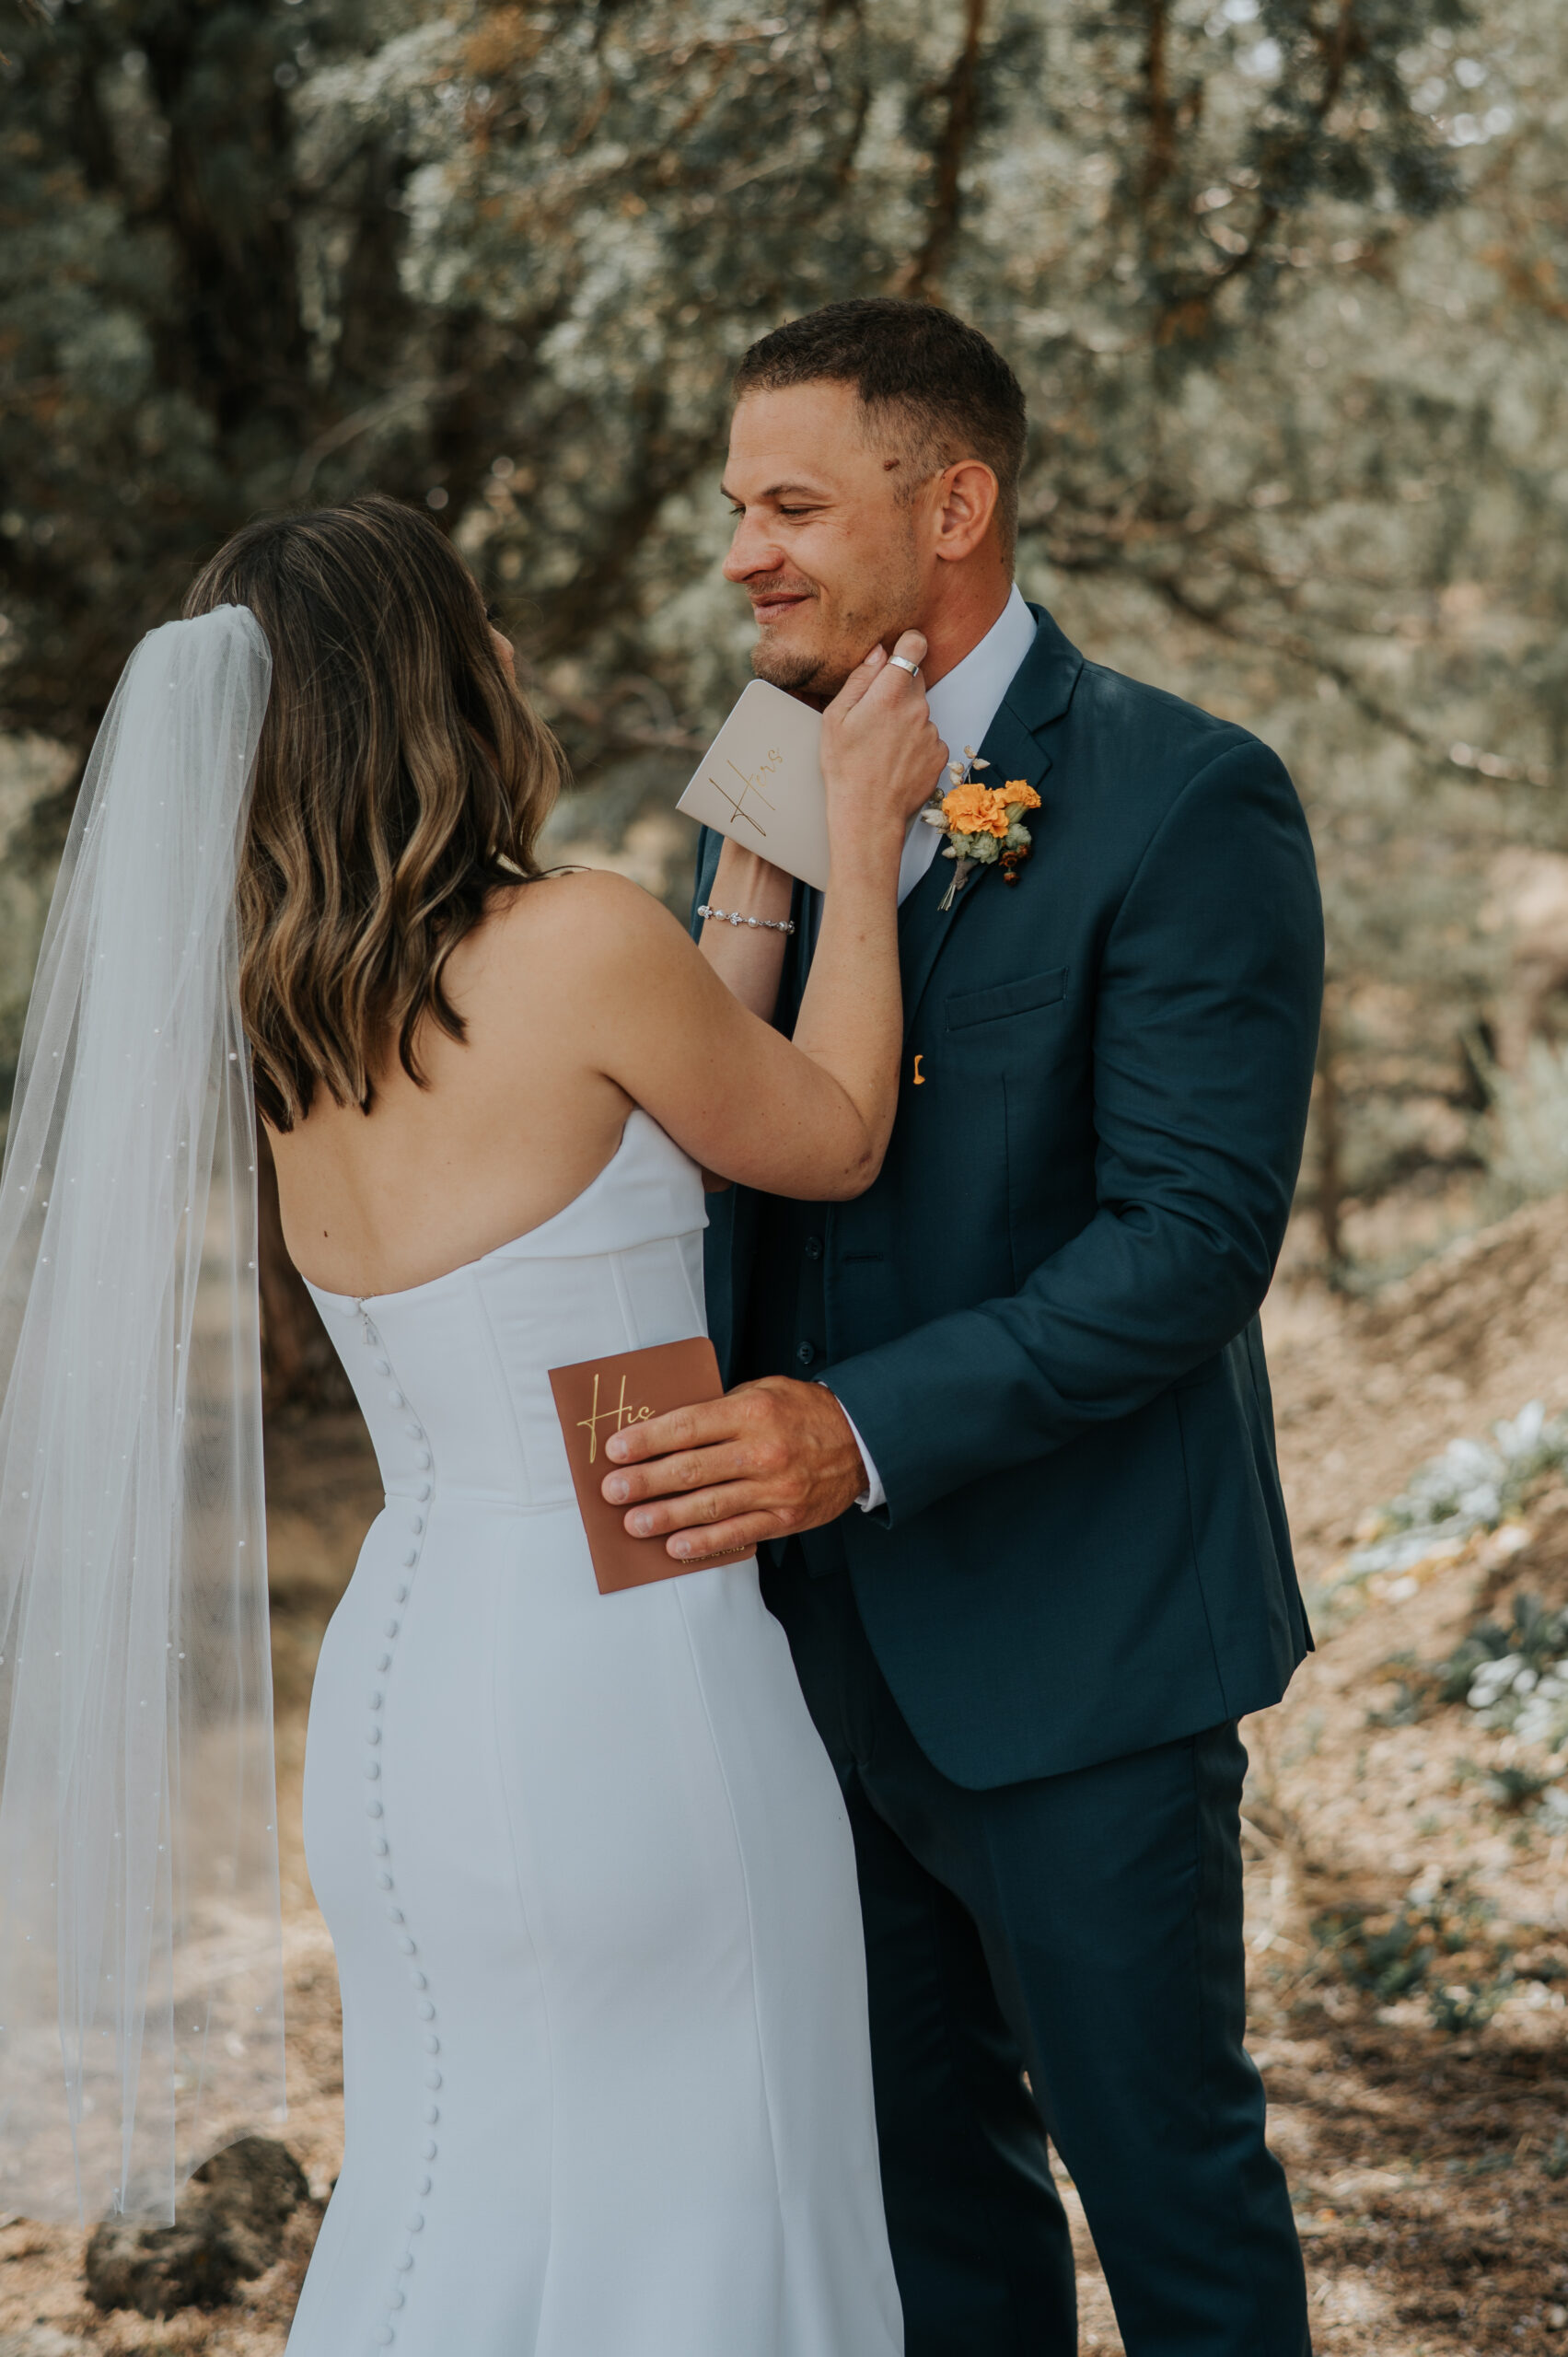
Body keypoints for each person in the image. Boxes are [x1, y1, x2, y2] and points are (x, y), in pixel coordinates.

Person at [0, 492, 947, 2353]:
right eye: (475, 619)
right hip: (627, 1670)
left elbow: (650, 1119)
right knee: (716, 2181)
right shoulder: (578, 937)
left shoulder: (285, 1010)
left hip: (412, 1695)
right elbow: (827, 1133)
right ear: (422, 686)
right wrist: (857, 826)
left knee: (470, 2194)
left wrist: (754, 873)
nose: (508, 647)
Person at [599, 297, 1325, 2354]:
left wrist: (851, 1430)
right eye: (735, 506)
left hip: (1082, 1643)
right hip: (802, 1656)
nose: (742, 553)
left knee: (1170, 2195)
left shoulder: (1185, 797)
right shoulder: (758, 794)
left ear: (956, 504)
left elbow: (1188, 1242)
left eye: (791, 507)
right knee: (919, 2213)